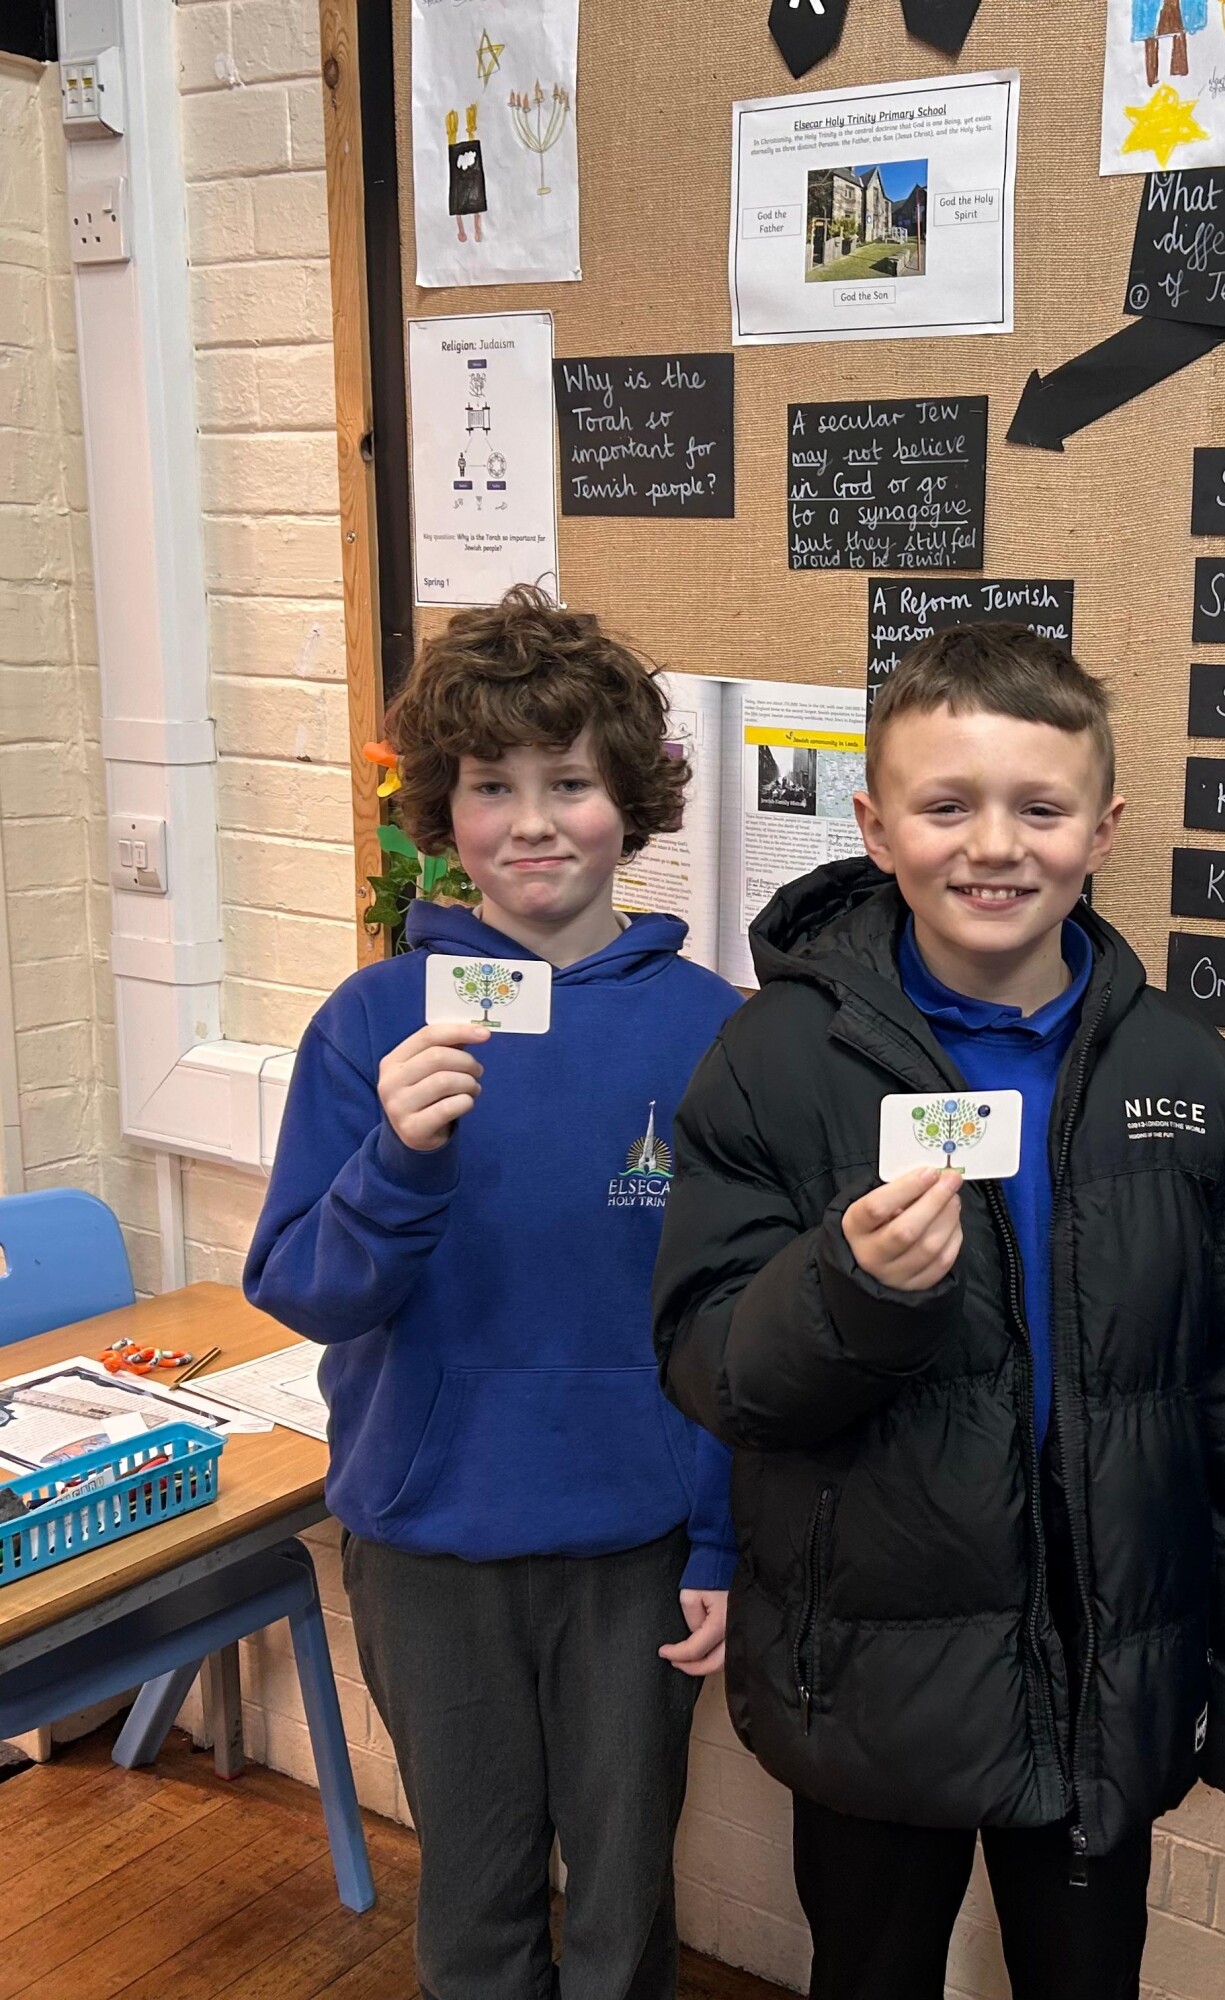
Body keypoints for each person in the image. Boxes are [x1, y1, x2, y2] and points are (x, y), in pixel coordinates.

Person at [652, 624, 1225, 2000]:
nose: (994, 846)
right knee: (870, 1973)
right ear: (874, 827)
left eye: (1040, 808)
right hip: (867, 1672)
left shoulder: (1187, 1074)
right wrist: (849, 1292)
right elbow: (716, 1369)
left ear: (1104, 829)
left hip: (1099, 1673)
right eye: (947, 806)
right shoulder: (777, 1060)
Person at [246, 586, 741, 2000]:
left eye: (569, 783)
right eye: (490, 787)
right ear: (442, 814)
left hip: (638, 1544)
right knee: (473, 1905)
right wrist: (398, 1162)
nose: (532, 823)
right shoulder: (373, 1021)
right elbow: (304, 1287)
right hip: (431, 1537)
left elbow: (729, 1318)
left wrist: (720, 1538)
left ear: (628, 800)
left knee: (625, 1903)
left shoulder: (710, 1029)